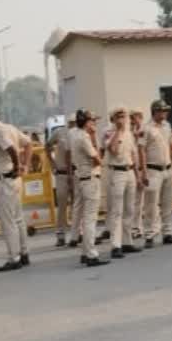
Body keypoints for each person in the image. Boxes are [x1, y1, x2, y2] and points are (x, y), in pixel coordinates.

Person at [0, 108, 32, 271]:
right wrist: (25, 165)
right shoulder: (9, 127)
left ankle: (13, 258)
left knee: (8, 221)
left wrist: (18, 165)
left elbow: (11, 149)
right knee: (18, 219)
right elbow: (28, 143)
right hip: (13, 179)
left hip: (5, 179)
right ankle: (23, 253)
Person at [140, 99, 172, 247]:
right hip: (153, 170)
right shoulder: (146, 129)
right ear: (155, 112)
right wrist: (143, 171)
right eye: (162, 111)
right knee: (151, 204)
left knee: (167, 203)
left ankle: (167, 232)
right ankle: (149, 234)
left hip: (167, 168)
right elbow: (142, 150)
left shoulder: (167, 126)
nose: (165, 113)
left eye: (166, 110)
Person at [70, 109, 107, 267]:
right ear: (87, 122)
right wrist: (93, 136)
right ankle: (91, 254)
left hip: (82, 178)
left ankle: (85, 252)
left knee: (87, 218)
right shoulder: (84, 137)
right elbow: (98, 159)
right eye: (93, 121)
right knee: (90, 220)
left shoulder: (73, 133)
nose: (95, 124)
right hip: (90, 178)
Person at [104, 106, 142, 258]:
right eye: (118, 116)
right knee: (117, 210)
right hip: (117, 172)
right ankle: (115, 245)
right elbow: (112, 150)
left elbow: (133, 154)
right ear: (113, 119)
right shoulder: (109, 133)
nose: (122, 119)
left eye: (124, 116)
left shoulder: (129, 134)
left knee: (129, 209)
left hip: (129, 171)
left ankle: (127, 242)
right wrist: (118, 131)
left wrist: (138, 174)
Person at [46, 113, 76, 247]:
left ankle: (77, 232)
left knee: (77, 204)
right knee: (63, 203)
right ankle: (60, 233)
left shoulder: (80, 133)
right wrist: (52, 163)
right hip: (62, 173)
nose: (73, 125)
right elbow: (47, 146)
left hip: (76, 172)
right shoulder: (59, 133)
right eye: (72, 123)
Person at [129, 108, 147, 245]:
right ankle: (135, 227)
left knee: (142, 201)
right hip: (136, 168)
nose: (132, 120)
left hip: (145, 167)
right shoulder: (131, 133)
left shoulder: (145, 130)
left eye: (134, 117)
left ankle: (140, 226)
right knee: (136, 201)